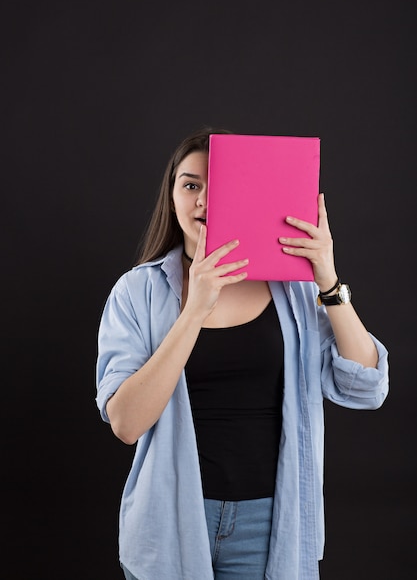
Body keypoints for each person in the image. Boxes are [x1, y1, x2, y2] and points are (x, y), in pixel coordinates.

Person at [96, 126, 389, 580]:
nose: (204, 202)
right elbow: (127, 423)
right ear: (170, 196)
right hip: (169, 521)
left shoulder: (292, 292)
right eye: (190, 185)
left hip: (270, 525)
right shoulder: (138, 291)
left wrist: (327, 279)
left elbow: (366, 386)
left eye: (219, 187)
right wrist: (193, 311)